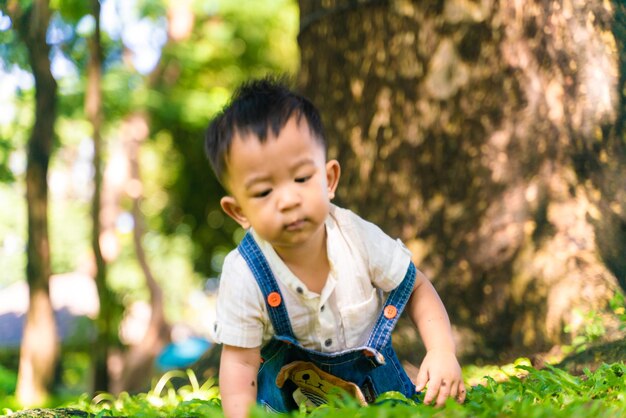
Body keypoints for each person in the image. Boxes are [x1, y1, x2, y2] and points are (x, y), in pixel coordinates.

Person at [204, 77, 465, 418]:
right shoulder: (245, 273)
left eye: (301, 178)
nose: (288, 200)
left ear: (328, 180)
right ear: (239, 211)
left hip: (376, 402)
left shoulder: (355, 237)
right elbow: (239, 363)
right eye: (264, 192)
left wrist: (442, 351)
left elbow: (415, 286)